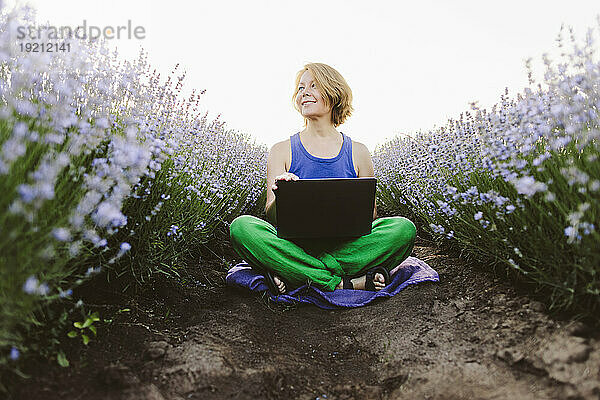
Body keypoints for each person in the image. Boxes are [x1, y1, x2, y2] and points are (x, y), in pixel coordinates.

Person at [229, 62, 417, 295]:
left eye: (314, 86)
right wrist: (282, 195)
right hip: (294, 246)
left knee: (403, 229)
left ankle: (299, 274)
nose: (304, 93)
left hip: (347, 247)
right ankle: (343, 283)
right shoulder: (281, 150)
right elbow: (272, 215)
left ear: (333, 93)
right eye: (300, 88)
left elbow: (371, 216)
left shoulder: (358, 151)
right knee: (242, 228)